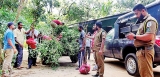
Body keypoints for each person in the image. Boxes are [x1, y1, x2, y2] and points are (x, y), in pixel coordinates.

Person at [126, 4, 158, 77]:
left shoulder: (150, 21)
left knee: (147, 74)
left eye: (137, 13)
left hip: (145, 51)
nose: (136, 16)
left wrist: (134, 36)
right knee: (143, 73)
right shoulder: (144, 21)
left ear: (143, 10)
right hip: (142, 52)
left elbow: (149, 36)